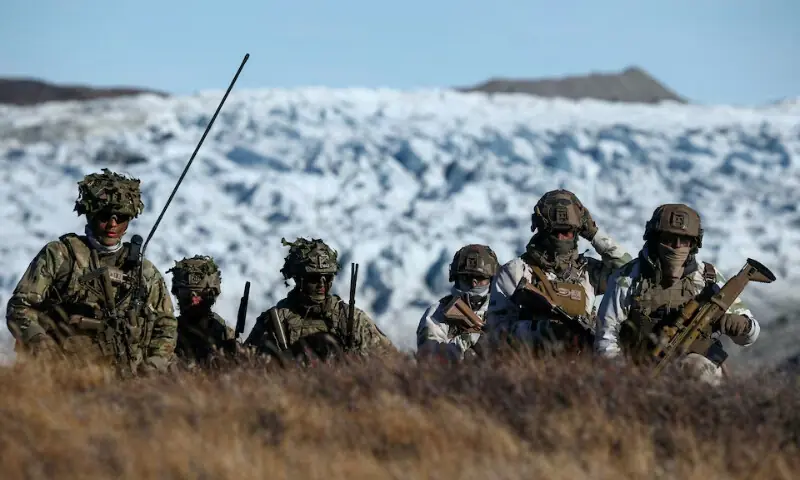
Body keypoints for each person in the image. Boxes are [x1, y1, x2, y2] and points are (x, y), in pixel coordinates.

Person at [6, 168, 177, 376]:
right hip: (60, 376)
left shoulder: (144, 271)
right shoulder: (62, 255)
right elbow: (20, 307)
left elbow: (166, 324)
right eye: (105, 216)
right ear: (90, 214)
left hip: (128, 380)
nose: (112, 224)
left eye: (121, 217)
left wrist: (154, 364)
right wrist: (42, 345)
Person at [594, 203, 760, 385]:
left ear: (694, 244)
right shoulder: (627, 278)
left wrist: (742, 326)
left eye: (684, 241)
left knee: (702, 371)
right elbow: (606, 337)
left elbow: (750, 335)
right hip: (640, 369)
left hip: (694, 367)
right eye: (668, 239)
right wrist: (626, 377)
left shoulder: (707, 278)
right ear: (654, 239)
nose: (676, 247)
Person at [485, 189, 632, 354]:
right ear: (542, 230)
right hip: (530, 368)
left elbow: (629, 272)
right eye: (556, 231)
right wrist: (542, 331)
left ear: (577, 231)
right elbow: (496, 331)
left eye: (568, 231)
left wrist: (594, 234)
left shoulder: (589, 272)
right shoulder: (516, 271)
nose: (562, 238)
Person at [245, 237, 395, 360]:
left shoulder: (351, 318)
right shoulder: (276, 320)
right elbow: (247, 365)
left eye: (328, 277)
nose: (322, 284)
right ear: (298, 279)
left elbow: (391, 359)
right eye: (314, 278)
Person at [416, 244, 499, 362]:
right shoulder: (437, 313)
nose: (474, 283)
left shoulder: (501, 308)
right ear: (456, 278)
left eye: (481, 278)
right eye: (467, 278)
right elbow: (428, 359)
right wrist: (465, 341)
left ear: (491, 279)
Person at [168, 255, 242, 368]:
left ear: (212, 294)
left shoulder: (224, 334)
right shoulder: (167, 333)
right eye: (186, 294)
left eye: (200, 294)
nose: (193, 300)